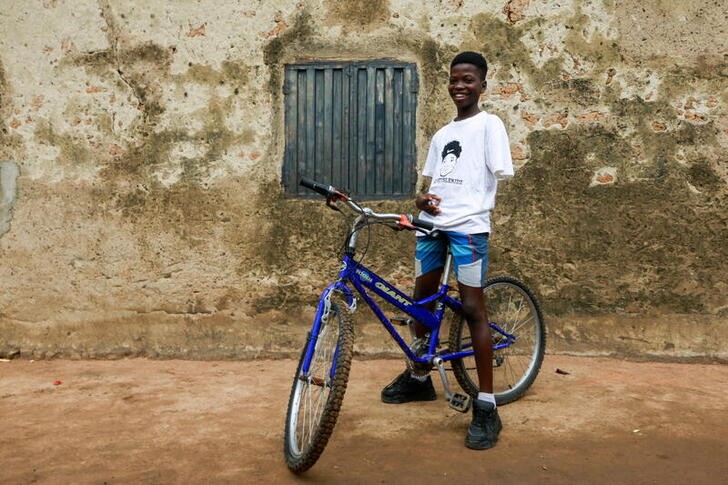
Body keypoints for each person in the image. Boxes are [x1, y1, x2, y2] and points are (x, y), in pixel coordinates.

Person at [381, 51, 514, 450]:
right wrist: (422, 201)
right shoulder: (441, 135)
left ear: (483, 85)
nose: (460, 85)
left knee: (473, 307)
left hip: (469, 229)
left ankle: (487, 406)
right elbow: (434, 185)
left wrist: (461, 207)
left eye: (469, 79)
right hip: (431, 229)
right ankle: (420, 378)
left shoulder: (490, 125)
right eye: (455, 79)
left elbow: (495, 176)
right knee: (421, 301)